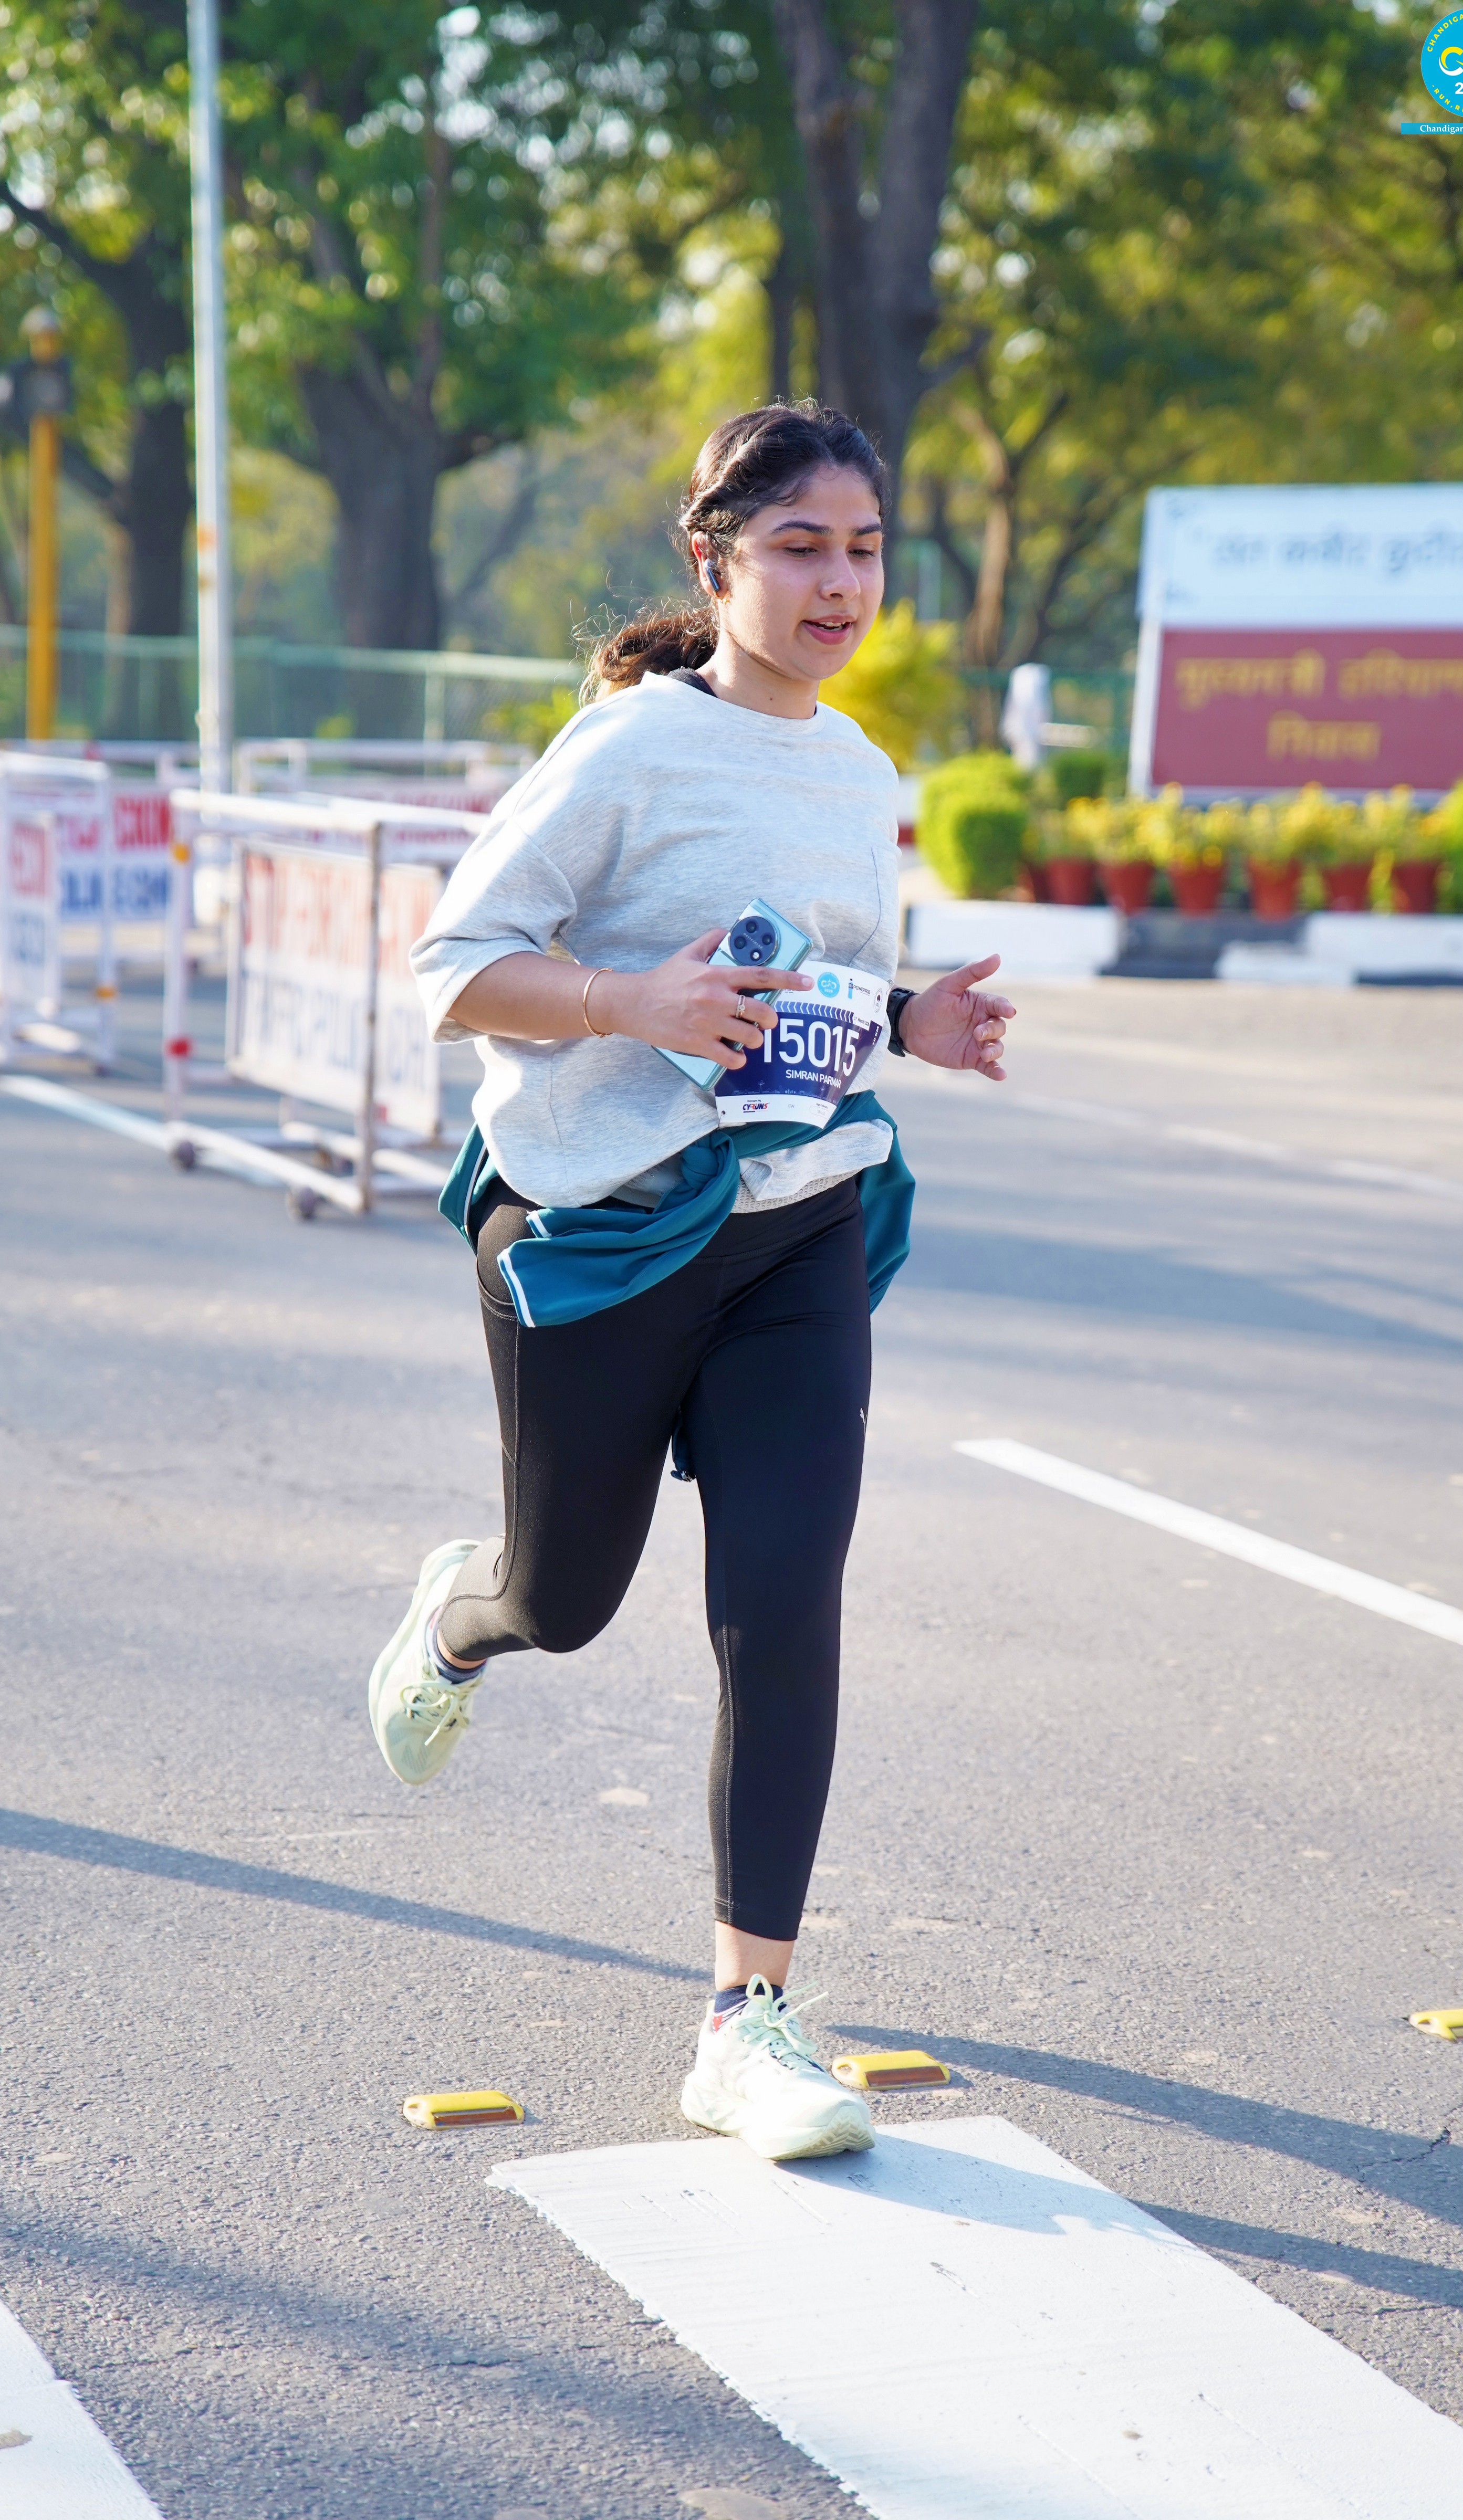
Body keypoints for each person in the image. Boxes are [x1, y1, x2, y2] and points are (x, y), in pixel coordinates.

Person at [373, 400, 1012, 2161]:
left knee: (785, 1603)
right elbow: (452, 965)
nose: (839, 584)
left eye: (864, 548)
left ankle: (748, 2020)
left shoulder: (861, 769)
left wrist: (909, 1020)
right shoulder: (629, 750)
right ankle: (461, 1613)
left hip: (799, 1225)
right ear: (716, 560)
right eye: (801, 547)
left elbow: (811, 984)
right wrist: (627, 1003)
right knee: (565, 1598)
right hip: (601, 1234)